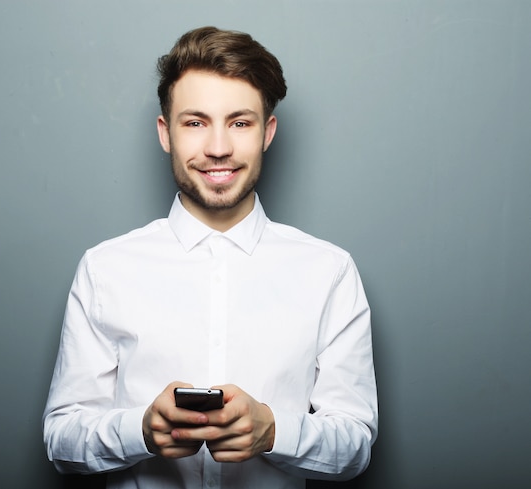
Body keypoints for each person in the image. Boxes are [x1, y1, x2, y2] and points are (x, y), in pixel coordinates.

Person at [43, 26, 378, 489]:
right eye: (195, 122)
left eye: (240, 122)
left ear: (267, 132)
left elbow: (355, 444)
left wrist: (274, 431)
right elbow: (62, 438)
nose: (218, 147)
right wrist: (139, 430)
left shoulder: (330, 272)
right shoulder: (105, 270)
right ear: (166, 133)